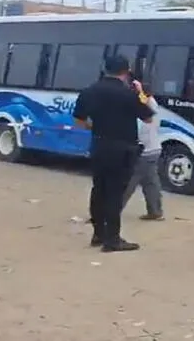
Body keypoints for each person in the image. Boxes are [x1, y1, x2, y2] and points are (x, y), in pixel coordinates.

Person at [73, 55, 154, 252]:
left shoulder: (89, 91)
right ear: (126, 72)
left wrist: (97, 127)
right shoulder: (128, 94)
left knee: (98, 190)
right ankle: (113, 239)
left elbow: (79, 121)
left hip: (99, 146)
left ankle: (98, 234)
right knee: (114, 194)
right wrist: (141, 94)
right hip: (123, 149)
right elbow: (149, 118)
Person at [122, 88, 164, 221]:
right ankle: (155, 211)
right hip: (154, 149)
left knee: (127, 183)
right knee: (151, 182)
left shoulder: (146, 106)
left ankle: (111, 211)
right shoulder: (152, 104)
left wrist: (139, 91)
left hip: (143, 152)